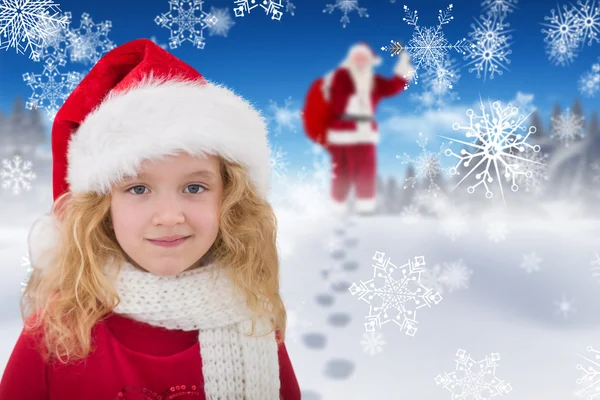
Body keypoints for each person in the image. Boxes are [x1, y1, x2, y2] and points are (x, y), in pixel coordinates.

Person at [0, 38, 300, 400]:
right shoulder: (58, 333)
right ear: (102, 209)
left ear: (230, 199)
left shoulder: (254, 322)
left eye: (194, 187)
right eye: (139, 189)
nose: (170, 216)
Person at [324, 42, 414, 215]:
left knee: (366, 171)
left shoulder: (373, 81)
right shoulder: (339, 77)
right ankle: (336, 209)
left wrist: (404, 58)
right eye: (357, 58)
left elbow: (395, 85)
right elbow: (332, 97)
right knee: (342, 172)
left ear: (370, 61)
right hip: (342, 131)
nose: (360, 62)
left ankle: (365, 210)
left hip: (365, 132)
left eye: (363, 58)